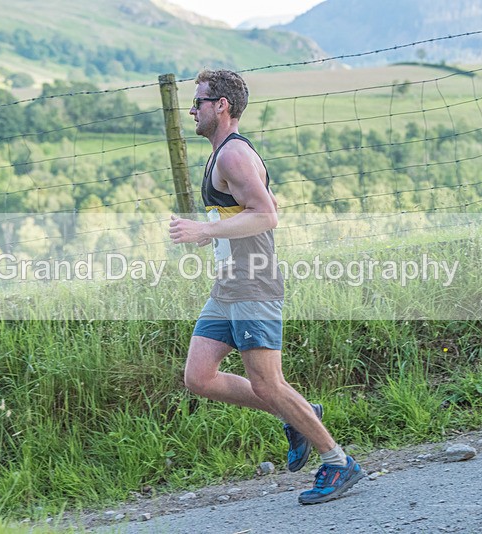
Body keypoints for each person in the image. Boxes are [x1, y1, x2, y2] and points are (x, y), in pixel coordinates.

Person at [168, 68, 363, 505]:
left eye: (198, 101)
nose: (192, 109)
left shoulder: (233, 156)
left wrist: (205, 231)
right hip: (228, 286)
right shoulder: (222, 154)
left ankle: (337, 461)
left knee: (268, 383)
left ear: (221, 106)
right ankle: (299, 413)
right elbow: (255, 209)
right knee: (199, 376)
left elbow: (267, 214)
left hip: (254, 283)